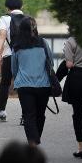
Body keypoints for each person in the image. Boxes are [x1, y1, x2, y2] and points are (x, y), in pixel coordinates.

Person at [11, 17, 53, 146]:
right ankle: (35, 141)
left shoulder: (17, 46)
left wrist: (19, 78)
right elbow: (50, 63)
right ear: (35, 29)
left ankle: (32, 142)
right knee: (40, 115)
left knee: (28, 115)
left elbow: (14, 68)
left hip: (24, 85)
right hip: (43, 84)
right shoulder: (43, 43)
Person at [0, 0, 25, 122]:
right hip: (24, 56)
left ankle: (1, 110)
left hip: (9, 55)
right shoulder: (28, 19)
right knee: (24, 84)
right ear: (21, 6)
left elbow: (2, 35)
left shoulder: (5, 18)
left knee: (5, 83)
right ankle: (25, 115)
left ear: (7, 7)